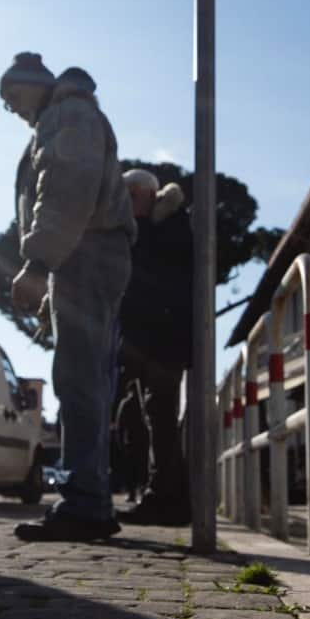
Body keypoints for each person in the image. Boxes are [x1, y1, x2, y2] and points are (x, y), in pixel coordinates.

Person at [0, 52, 135, 542]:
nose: (11, 108)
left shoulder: (68, 115)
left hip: (87, 251)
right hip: (85, 251)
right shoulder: (67, 115)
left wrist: (38, 264)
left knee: (79, 380)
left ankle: (85, 502)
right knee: (86, 379)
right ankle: (89, 496)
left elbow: (65, 188)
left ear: (35, 86)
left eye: (12, 96)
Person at [116, 169, 196, 527]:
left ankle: (166, 499)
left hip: (162, 340)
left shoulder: (167, 228)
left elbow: (157, 283)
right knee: (154, 417)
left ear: (148, 194)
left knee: (160, 419)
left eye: (131, 196)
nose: (127, 204)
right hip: (152, 340)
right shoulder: (160, 227)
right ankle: (164, 496)